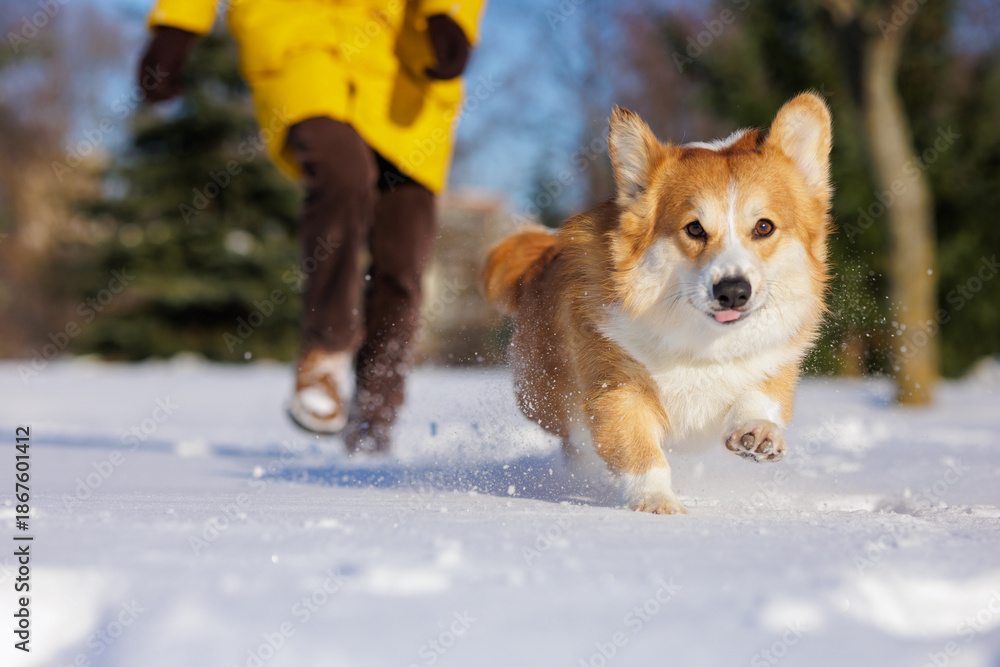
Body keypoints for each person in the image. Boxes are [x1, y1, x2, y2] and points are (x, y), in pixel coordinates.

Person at [138, 0, 487, 452]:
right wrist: (178, 23)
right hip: (296, 33)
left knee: (402, 260)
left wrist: (447, 12)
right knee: (341, 170)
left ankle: (373, 423)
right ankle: (326, 348)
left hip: (403, 59)